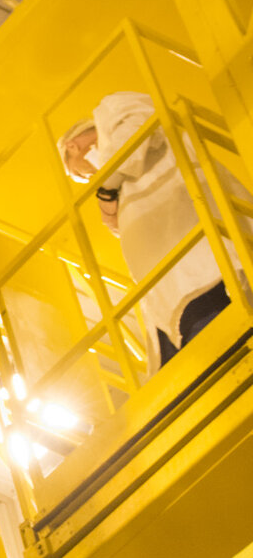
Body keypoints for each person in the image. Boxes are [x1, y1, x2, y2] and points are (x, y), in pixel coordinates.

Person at [59, 92, 233, 362]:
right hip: (172, 282)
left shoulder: (111, 108)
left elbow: (135, 134)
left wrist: (105, 193)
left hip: (199, 261)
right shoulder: (119, 179)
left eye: (80, 173)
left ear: (73, 147)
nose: (90, 176)